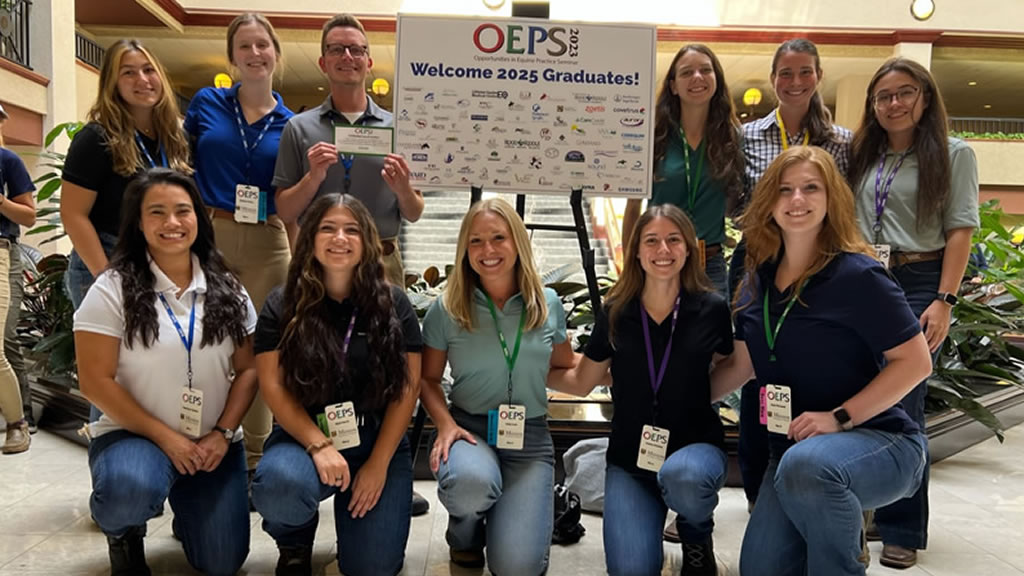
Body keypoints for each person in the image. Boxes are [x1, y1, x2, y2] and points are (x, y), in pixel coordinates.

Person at [709, 146, 930, 576]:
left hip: (879, 441)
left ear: (832, 200)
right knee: (760, 568)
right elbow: (744, 363)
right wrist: (668, 398)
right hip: (792, 452)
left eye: (811, 188)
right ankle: (831, 524)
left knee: (811, 468)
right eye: (785, 190)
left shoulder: (859, 276)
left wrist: (840, 417)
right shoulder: (759, 279)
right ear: (769, 202)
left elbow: (916, 363)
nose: (797, 200)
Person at [74, 168, 258, 576]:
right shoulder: (111, 289)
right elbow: (94, 381)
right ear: (138, 223)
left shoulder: (228, 287)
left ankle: (188, 509)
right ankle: (123, 530)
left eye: (182, 211)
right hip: (136, 436)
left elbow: (248, 371)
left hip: (213, 441)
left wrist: (222, 433)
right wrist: (168, 439)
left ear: (199, 218)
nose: (171, 223)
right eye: (156, 212)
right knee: (129, 491)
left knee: (222, 561)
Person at [549, 204, 732, 576]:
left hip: (694, 450)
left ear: (690, 249)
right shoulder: (616, 310)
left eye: (673, 240)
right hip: (631, 459)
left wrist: (699, 393)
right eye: (652, 241)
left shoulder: (711, 308)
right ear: (636, 250)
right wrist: (529, 372)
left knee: (686, 478)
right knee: (630, 569)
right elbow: (585, 379)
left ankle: (696, 532)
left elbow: (731, 362)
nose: (663, 250)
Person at [849, 57, 979, 569]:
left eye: (904, 93)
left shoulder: (954, 154)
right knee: (856, 392)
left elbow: (961, 229)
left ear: (924, 98)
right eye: (883, 97)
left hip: (921, 279)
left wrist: (944, 301)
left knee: (907, 402)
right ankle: (858, 514)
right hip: (864, 280)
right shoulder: (864, 155)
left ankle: (902, 526)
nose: (894, 104)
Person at [251, 194, 422, 576]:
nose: (339, 238)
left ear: (368, 241)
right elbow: (273, 387)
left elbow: (406, 390)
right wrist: (319, 445)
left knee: (373, 568)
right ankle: (294, 537)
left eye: (352, 230)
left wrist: (378, 465)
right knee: (281, 488)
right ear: (310, 237)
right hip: (305, 438)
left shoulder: (395, 304)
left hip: (377, 441)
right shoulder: (282, 304)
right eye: (327, 228)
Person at [729, 37, 854, 511]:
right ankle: (760, 494)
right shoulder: (748, 137)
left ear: (818, 76)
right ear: (773, 77)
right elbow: (738, 202)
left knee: (814, 367)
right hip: (757, 261)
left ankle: (822, 485)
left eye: (805, 72)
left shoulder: (842, 142)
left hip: (819, 267)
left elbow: (845, 209)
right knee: (755, 370)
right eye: (786, 73)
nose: (795, 81)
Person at [420, 197, 575, 575]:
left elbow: (563, 365)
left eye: (498, 238)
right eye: (476, 241)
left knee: (518, 567)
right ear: (465, 249)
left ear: (517, 243)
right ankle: (465, 532)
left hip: (531, 436)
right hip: (468, 430)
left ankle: (504, 519)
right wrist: (444, 423)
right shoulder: (448, 307)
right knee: (472, 485)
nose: (487, 250)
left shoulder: (547, 302)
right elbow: (426, 378)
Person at [184, 11, 294, 505]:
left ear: (276, 53)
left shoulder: (292, 123)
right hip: (212, 234)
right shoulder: (208, 103)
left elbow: (296, 196)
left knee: (262, 348)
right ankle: (201, 446)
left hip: (270, 238)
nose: (254, 54)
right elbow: (178, 160)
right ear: (232, 57)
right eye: (244, 46)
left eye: (262, 45)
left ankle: (254, 458)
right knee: (208, 345)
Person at [273, 13, 424, 286]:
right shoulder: (297, 128)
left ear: (369, 62)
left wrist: (403, 188)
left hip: (382, 264)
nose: (347, 56)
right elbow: (284, 211)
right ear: (323, 62)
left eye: (356, 49)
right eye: (336, 49)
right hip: (320, 264)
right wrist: (313, 177)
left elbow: (414, 212)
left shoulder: (400, 128)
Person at [61, 39, 191, 309]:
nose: (142, 80)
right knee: (108, 352)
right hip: (107, 260)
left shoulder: (174, 139)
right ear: (113, 83)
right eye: (128, 72)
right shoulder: (96, 138)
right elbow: (73, 214)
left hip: (154, 260)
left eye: (148, 70)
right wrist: (107, 276)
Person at [622, 44, 743, 297]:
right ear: (674, 86)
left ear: (717, 81)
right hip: (659, 260)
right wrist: (630, 270)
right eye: (687, 72)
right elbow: (633, 209)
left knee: (712, 336)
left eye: (705, 70)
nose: (697, 77)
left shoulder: (732, 140)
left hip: (709, 265)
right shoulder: (652, 139)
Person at [0, 103, 37, 453]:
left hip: (3, 251)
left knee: (5, 338)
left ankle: (20, 418)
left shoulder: (8, 161)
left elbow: (29, 216)